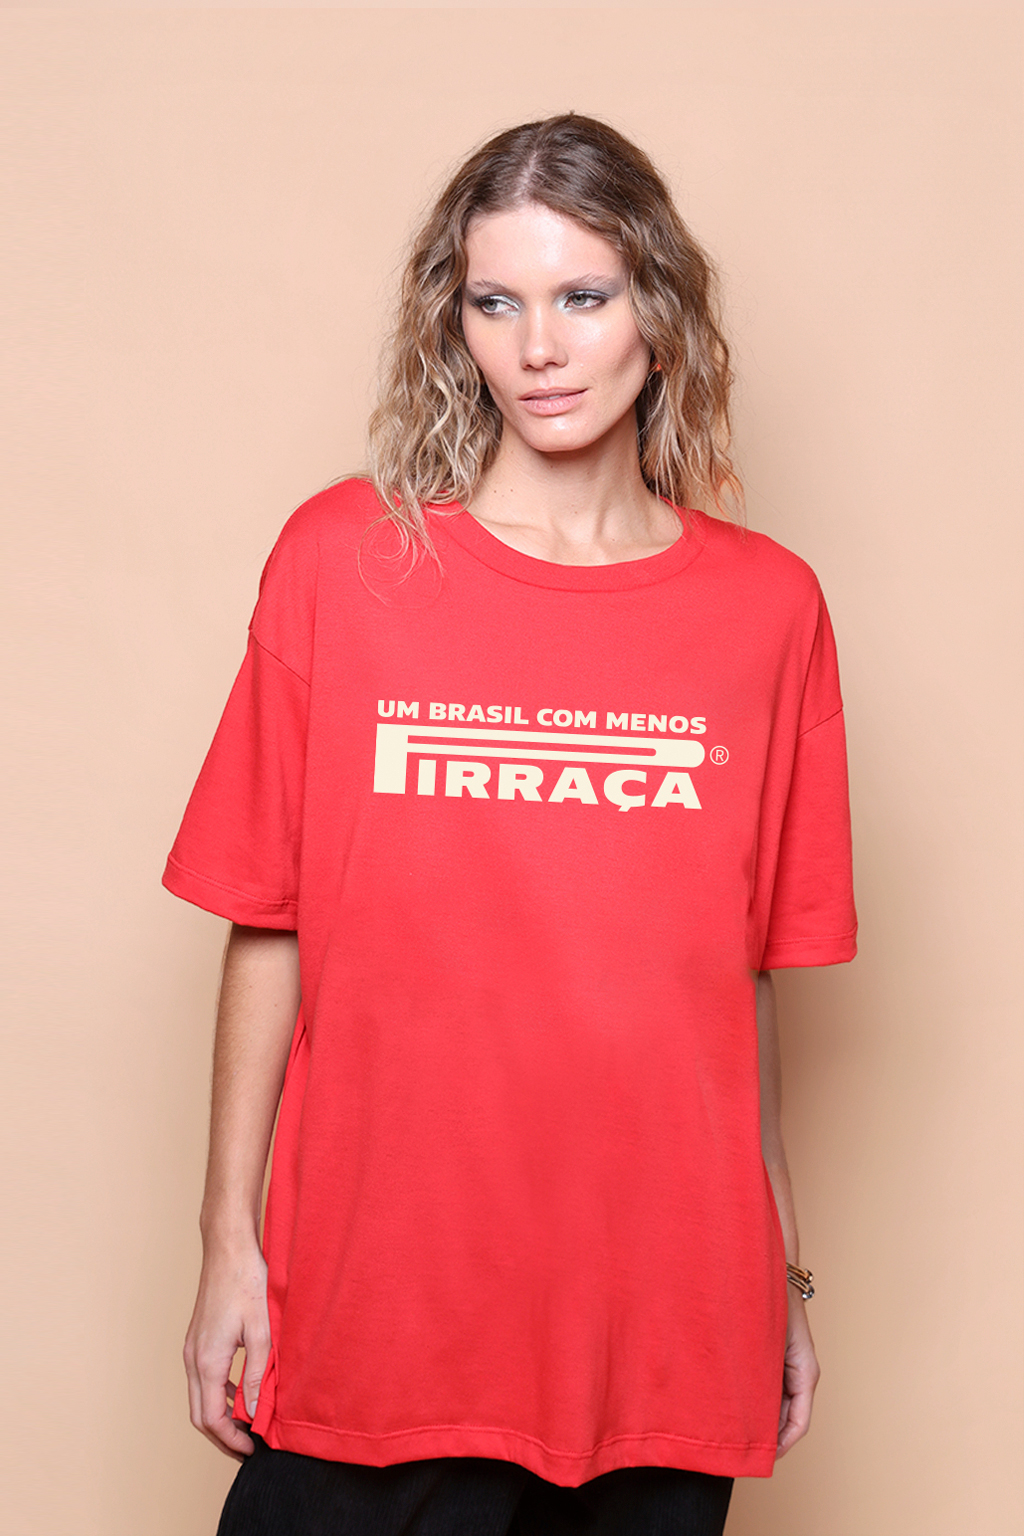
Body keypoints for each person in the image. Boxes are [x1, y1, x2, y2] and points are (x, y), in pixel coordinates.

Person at [164, 112, 857, 1536]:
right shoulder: (343, 564)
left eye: (582, 296)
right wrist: (228, 1242)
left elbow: (735, 979)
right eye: (497, 302)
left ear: (659, 311)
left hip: (664, 1308)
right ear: (455, 322)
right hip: (385, 1300)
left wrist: (779, 1269)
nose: (540, 347)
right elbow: (268, 922)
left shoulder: (769, 611)